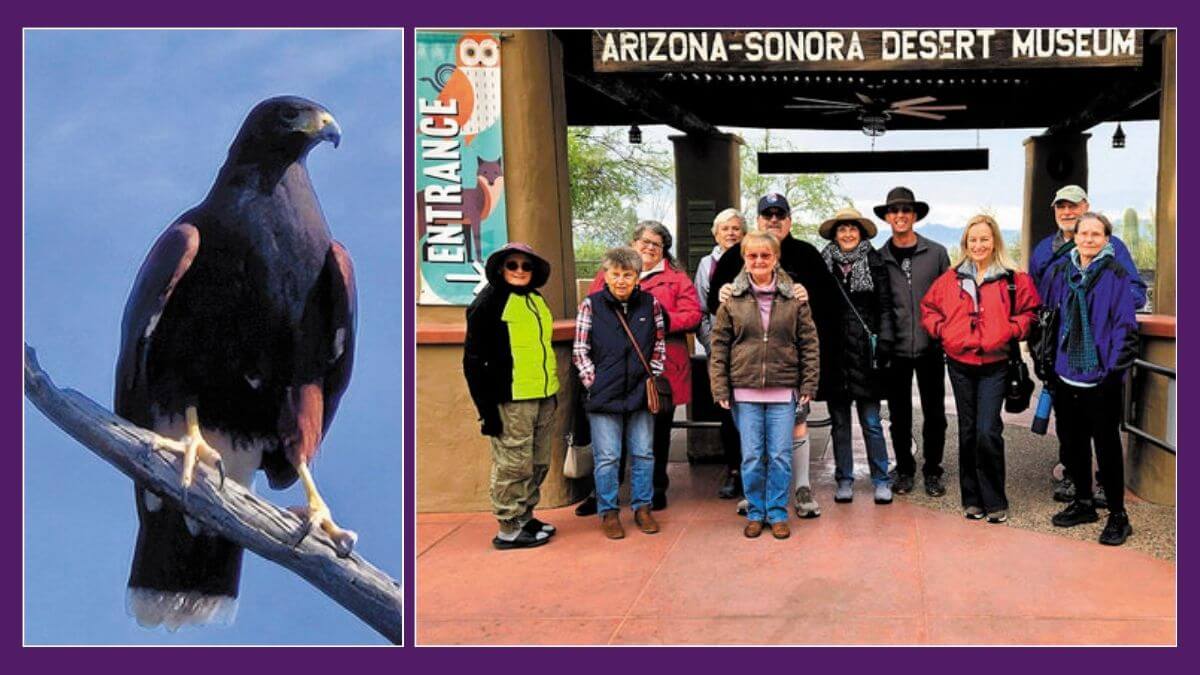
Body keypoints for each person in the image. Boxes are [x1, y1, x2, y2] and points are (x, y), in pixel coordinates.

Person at [709, 193, 837, 518]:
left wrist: (808, 299)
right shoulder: (732, 259)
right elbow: (715, 306)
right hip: (747, 372)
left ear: (789, 220)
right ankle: (757, 496)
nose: (774, 219)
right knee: (753, 442)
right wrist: (724, 294)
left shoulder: (807, 254)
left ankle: (801, 488)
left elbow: (824, 305)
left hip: (787, 370)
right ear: (759, 220)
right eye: (768, 215)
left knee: (794, 431)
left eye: (781, 214)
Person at [1029, 185, 1147, 505]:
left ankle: (1107, 495)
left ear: (1087, 208)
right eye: (1061, 207)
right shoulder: (1045, 253)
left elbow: (1133, 296)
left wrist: (1100, 303)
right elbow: (1040, 302)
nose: (1067, 212)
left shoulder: (1115, 258)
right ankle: (1075, 482)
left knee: (1104, 435)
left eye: (1074, 206)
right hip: (1064, 359)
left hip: (1101, 360)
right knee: (1071, 430)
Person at [576, 222, 702, 514]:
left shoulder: (677, 279)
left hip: (658, 370)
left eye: (656, 244)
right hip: (611, 370)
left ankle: (654, 489)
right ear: (633, 242)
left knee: (654, 435)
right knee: (610, 438)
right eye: (644, 241)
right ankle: (605, 493)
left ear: (663, 250)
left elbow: (693, 314)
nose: (649, 247)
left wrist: (655, 320)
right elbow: (592, 308)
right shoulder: (608, 273)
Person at [921, 215, 1039, 524]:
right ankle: (972, 498)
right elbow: (928, 309)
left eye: (984, 239)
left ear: (995, 241)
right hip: (960, 364)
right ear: (965, 244)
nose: (978, 245)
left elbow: (1031, 312)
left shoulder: (1013, 278)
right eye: (973, 240)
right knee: (969, 431)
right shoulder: (951, 279)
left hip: (995, 365)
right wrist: (944, 330)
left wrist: (1010, 329)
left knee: (988, 430)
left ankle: (995, 499)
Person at [1042, 213, 1139, 545]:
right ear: (1076, 237)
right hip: (1066, 373)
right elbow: (1049, 318)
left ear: (1106, 240)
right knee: (1073, 443)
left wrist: (1113, 374)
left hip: (1102, 377)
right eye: (1084, 233)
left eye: (1096, 234)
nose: (1089, 239)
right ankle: (1083, 502)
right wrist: (1049, 366)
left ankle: (1117, 515)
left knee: (1107, 446)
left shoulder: (1116, 275)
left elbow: (1125, 328)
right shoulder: (1061, 271)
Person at [463, 243, 560, 550]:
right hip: (511, 398)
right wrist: (487, 411)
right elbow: (473, 361)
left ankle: (524, 517)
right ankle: (508, 527)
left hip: (543, 394)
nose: (519, 271)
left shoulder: (535, 299)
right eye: (512, 265)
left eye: (525, 266)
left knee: (538, 462)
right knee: (513, 464)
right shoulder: (488, 303)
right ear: (500, 269)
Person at [573, 246, 667, 539]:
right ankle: (609, 511)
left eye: (628, 275)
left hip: (639, 390)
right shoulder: (591, 305)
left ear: (638, 277)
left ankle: (642, 507)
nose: (622, 280)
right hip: (604, 394)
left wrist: (652, 373)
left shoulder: (650, 304)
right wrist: (594, 382)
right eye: (616, 274)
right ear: (606, 276)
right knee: (608, 457)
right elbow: (580, 350)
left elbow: (660, 343)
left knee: (643, 453)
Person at [874, 187, 951, 497]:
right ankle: (905, 468)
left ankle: (933, 469)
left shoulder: (936, 253)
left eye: (906, 210)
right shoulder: (879, 257)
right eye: (895, 211)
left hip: (930, 346)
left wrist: (943, 333)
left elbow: (950, 298)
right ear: (887, 217)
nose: (901, 215)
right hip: (895, 348)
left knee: (935, 414)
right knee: (899, 415)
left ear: (915, 215)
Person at [817, 208, 897, 505]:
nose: (848, 234)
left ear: (861, 233)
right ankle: (845, 479)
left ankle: (880, 478)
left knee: (872, 421)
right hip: (835, 355)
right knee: (839, 423)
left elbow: (886, 306)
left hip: (866, 353)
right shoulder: (823, 264)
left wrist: (886, 339)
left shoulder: (875, 262)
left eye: (853, 229)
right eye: (842, 229)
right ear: (835, 235)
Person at [694, 208, 747, 499]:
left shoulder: (753, 256)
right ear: (715, 234)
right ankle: (734, 470)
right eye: (725, 228)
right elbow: (700, 309)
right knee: (728, 411)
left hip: (752, 351)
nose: (731, 233)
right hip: (720, 349)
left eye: (736, 228)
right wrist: (712, 343)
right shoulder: (706, 264)